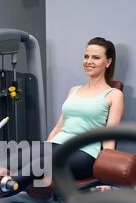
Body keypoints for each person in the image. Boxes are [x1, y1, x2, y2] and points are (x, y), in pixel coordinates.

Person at [47, 36, 124, 181]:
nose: (88, 61)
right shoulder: (73, 90)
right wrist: (45, 147)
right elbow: (58, 128)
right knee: (20, 158)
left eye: (95, 57)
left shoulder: (114, 95)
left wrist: (106, 174)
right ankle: (0, 186)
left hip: (83, 152)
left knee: (38, 165)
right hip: (57, 145)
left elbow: (109, 137)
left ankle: (1, 189)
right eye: (86, 56)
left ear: (108, 62)